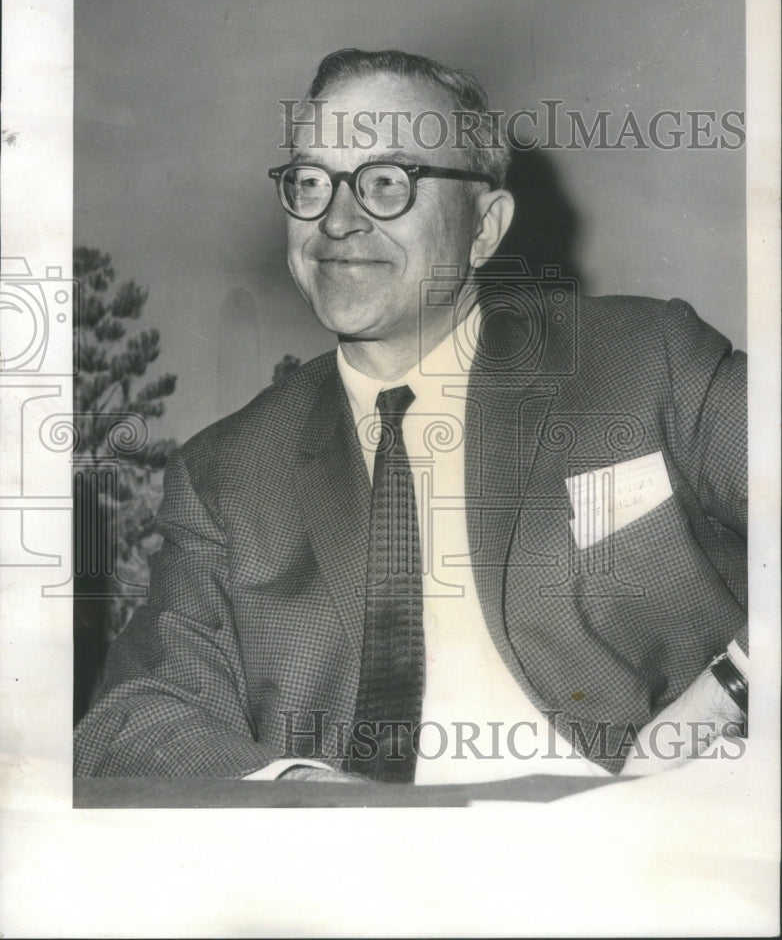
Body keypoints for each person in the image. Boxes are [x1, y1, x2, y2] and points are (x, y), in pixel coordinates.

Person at [74, 48, 747, 783]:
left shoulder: (646, 358)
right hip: (364, 880)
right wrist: (295, 795)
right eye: (310, 182)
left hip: (655, 857)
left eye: (387, 183)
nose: (335, 221)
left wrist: (729, 694)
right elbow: (131, 717)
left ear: (484, 226)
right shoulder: (225, 474)